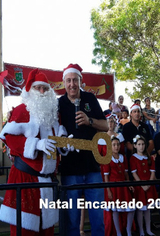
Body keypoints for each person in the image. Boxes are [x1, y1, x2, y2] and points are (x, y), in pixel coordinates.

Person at [0, 68, 67, 235]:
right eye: (38, 88)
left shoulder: (54, 115)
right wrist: (35, 144)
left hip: (47, 182)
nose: (42, 92)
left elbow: (57, 140)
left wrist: (65, 144)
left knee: (47, 230)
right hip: (25, 180)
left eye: (45, 88)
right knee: (25, 229)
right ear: (30, 90)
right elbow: (8, 137)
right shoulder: (22, 110)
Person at [58, 63, 108, 236]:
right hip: (70, 170)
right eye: (69, 80)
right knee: (71, 222)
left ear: (81, 81)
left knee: (98, 220)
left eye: (75, 80)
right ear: (64, 83)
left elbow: (106, 125)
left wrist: (89, 121)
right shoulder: (59, 104)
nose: (72, 84)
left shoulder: (90, 99)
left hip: (93, 168)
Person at [103, 136, 135, 236]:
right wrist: (108, 190)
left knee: (131, 208)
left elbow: (126, 174)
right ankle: (118, 233)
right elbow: (106, 177)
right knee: (115, 210)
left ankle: (128, 231)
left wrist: (128, 183)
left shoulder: (123, 157)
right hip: (114, 187)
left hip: (123, 186)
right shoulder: (107, 159)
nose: (116, 147)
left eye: (117, 144)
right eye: (114, 145)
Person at [130, 135, 157, 236]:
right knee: (140, 210)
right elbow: (134, 173)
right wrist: (142, 185)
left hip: (149, 185)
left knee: (147, 209)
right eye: (139, 144)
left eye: (143, 144)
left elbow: (152, 172)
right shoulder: (133, 158)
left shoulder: (149, 158)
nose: (141, 146)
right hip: (139, 186)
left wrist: (149, 184)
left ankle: (148, 229)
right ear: (135, 146)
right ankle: (141, 230)